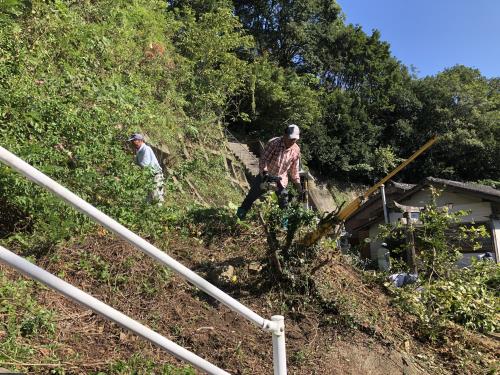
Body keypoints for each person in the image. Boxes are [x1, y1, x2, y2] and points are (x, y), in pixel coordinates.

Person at [236, 124, 304, 220]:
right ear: (284, 135)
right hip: (266, 176)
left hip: (280, 180)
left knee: (284, 204)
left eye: (294, 139)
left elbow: (294, 171)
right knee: (250, 197)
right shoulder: (274, 143)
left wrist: (298, 186)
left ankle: (283, 228)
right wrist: (265, 173)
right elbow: (264, 160)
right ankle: (239, 218)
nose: (292, 141)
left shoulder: (296, 150)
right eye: (290, 139)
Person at [127, 133, 165, 203]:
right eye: (132, 141)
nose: (132, 143)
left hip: (155, 176)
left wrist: (134, 167)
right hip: (149, 177)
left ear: (140, 140)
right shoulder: (139, 151)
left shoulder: (146, 149)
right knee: (148, 199)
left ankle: (159, 212)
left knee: (157, 198)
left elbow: (145, 165)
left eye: (134, 141)